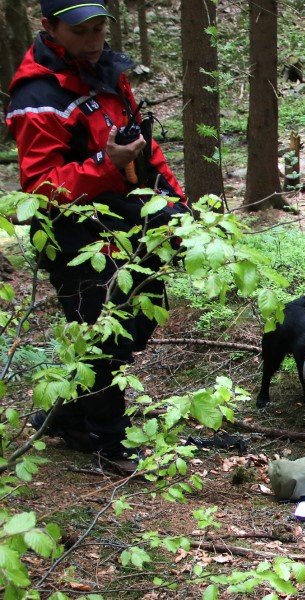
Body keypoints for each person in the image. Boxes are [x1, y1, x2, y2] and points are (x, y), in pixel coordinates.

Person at [4, 0, 187, 472]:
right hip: (72, 238)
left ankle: (65, 416)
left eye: (100, 27)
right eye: (81, 29)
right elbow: (41, 186)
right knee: (101, 339)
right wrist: (106, 165)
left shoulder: (106, 71)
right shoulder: (37, 95)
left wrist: (177, 206)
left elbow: (143, 147)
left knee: (145, 313)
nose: (94, 38)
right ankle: (109, 442)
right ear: (51, 28)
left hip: (128, 221)